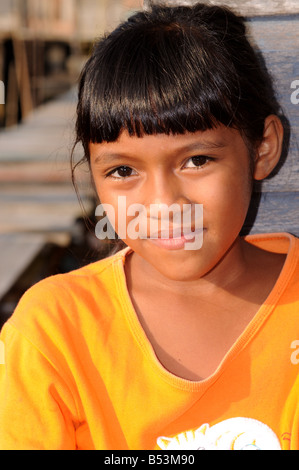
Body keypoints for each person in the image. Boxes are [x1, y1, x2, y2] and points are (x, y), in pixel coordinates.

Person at [0, 2, 298, 450]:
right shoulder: (54, 331)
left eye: (197, 160)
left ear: (262, 149)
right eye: (123, 171)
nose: (162, 205)